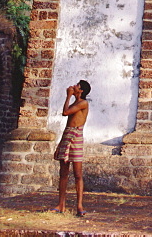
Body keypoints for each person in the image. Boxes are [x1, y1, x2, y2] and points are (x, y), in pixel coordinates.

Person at [52, 80, 90, 216]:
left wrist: (68, 95)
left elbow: (65, 112)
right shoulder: (75, 103)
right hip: (68, 134)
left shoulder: (83, 103)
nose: (73, 86)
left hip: (77, 136)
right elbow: (68, 123)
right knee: (63, 174)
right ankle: (61, 204)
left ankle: (79, 206)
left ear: (81, 90)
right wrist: (60, 145)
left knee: (78, 174)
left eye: (77, 85)